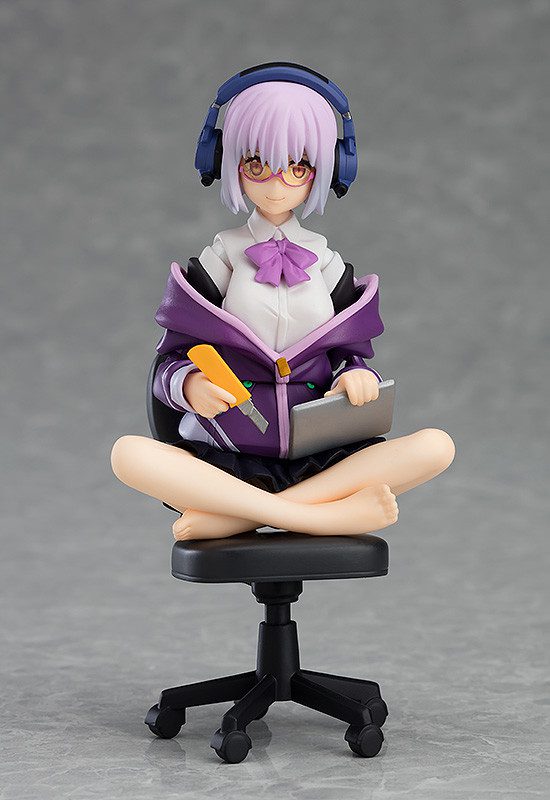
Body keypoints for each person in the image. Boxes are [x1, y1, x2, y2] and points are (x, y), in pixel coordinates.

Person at [111, 71, 455, 541]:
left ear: (332, 168)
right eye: (257, 165)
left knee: (436, 446)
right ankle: (320, 516)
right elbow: (170, 360)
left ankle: (240, 516)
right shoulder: (220, 259)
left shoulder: (327, 264)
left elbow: (349, 355)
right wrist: (190, 385)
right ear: (225, 160)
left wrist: (357, 378)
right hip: (227, 452)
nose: (277, 185)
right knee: (128, 454)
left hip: (322, 455)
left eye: (298, 168)